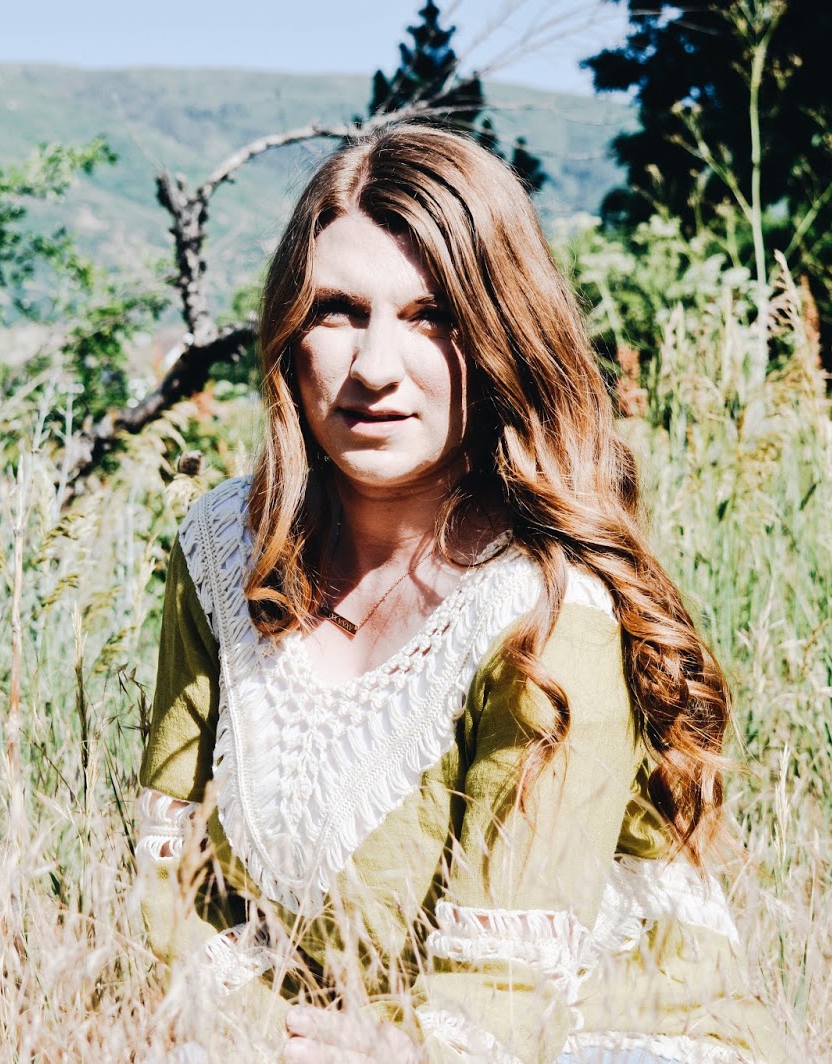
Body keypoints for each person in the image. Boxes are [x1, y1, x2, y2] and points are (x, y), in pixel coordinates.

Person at [134, 124, 785, 1064]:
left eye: (431, 315)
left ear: (499, 337)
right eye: (337, 311)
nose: (375, 368)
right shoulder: (224, 551)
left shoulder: (547, 616)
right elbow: (167, 879)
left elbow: (503, 1003)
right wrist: (250, 1030)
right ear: (287, 333)